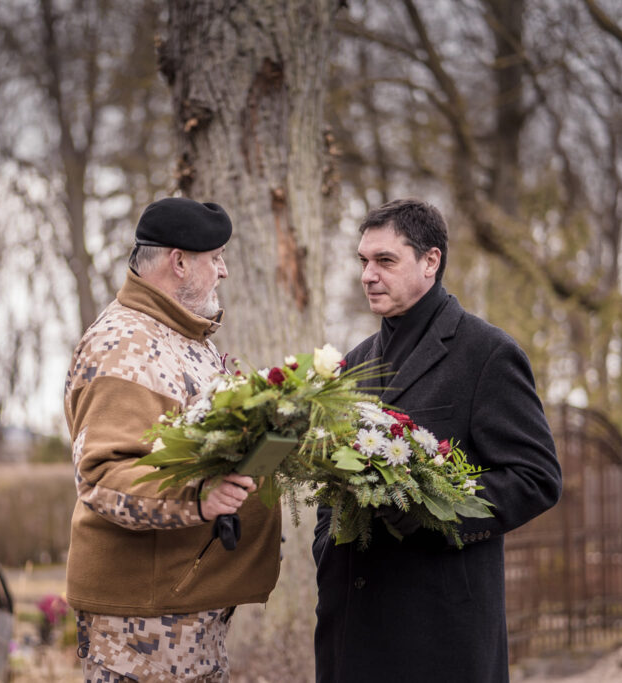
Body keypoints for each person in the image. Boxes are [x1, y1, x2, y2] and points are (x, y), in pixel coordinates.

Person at [313, 199, 562, 682]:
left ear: (431, 261)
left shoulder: (488, 354)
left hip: (440, 631)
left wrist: (428, 514)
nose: (367, 275)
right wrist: (326, 548)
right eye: (363, 261)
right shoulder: (350, 365)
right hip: (352, 626)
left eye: (385, 261)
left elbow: (536, 479)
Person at [64, 197, 282, 681]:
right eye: (216, 258)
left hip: (178, 604)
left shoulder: (180, 337)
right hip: (142, 623)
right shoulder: (125, 343)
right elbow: (104, 475)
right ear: (179, 261)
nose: (223, 272)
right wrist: (200, 497)